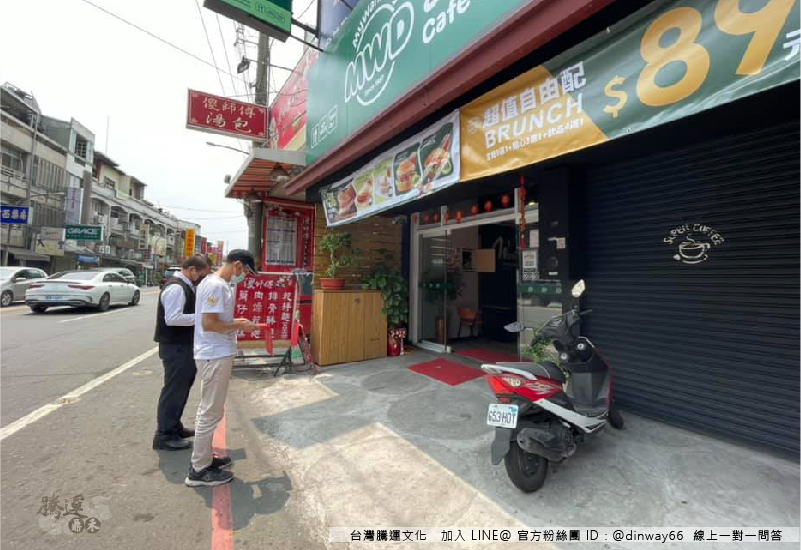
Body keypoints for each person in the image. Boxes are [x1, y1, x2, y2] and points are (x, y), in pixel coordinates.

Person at [185, 249, 259, 487]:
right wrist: (238, 325)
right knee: (210, 412)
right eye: (245, 271)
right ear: (237, 265)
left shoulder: (215, 284)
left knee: (211, 410)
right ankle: (199, 469)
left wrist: (236, 325)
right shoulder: (216, 286)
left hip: (215, 353)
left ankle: (205, 459)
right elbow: (209, 323)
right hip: (214, 354)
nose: (244, 276)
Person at [152, 254, 211, 451]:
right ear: (192, 269)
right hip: (175, 347)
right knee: (174, 390)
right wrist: (203, 317)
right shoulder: (176, 288)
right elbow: (172, 318)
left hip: (183, 346)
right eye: (202, 274)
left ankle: (174, 427)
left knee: (182, 388)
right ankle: (164, 435)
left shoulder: (186, 285)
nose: (202, 279)